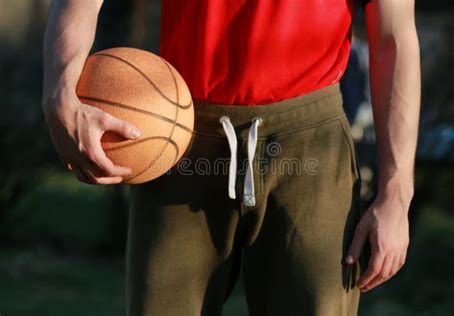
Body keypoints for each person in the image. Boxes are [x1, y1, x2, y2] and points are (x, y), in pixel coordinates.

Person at [42, 0, 420, 315]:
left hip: (311, 139)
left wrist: (396, 193)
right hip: (176, 136)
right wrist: (59, 88)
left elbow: (394, 35)